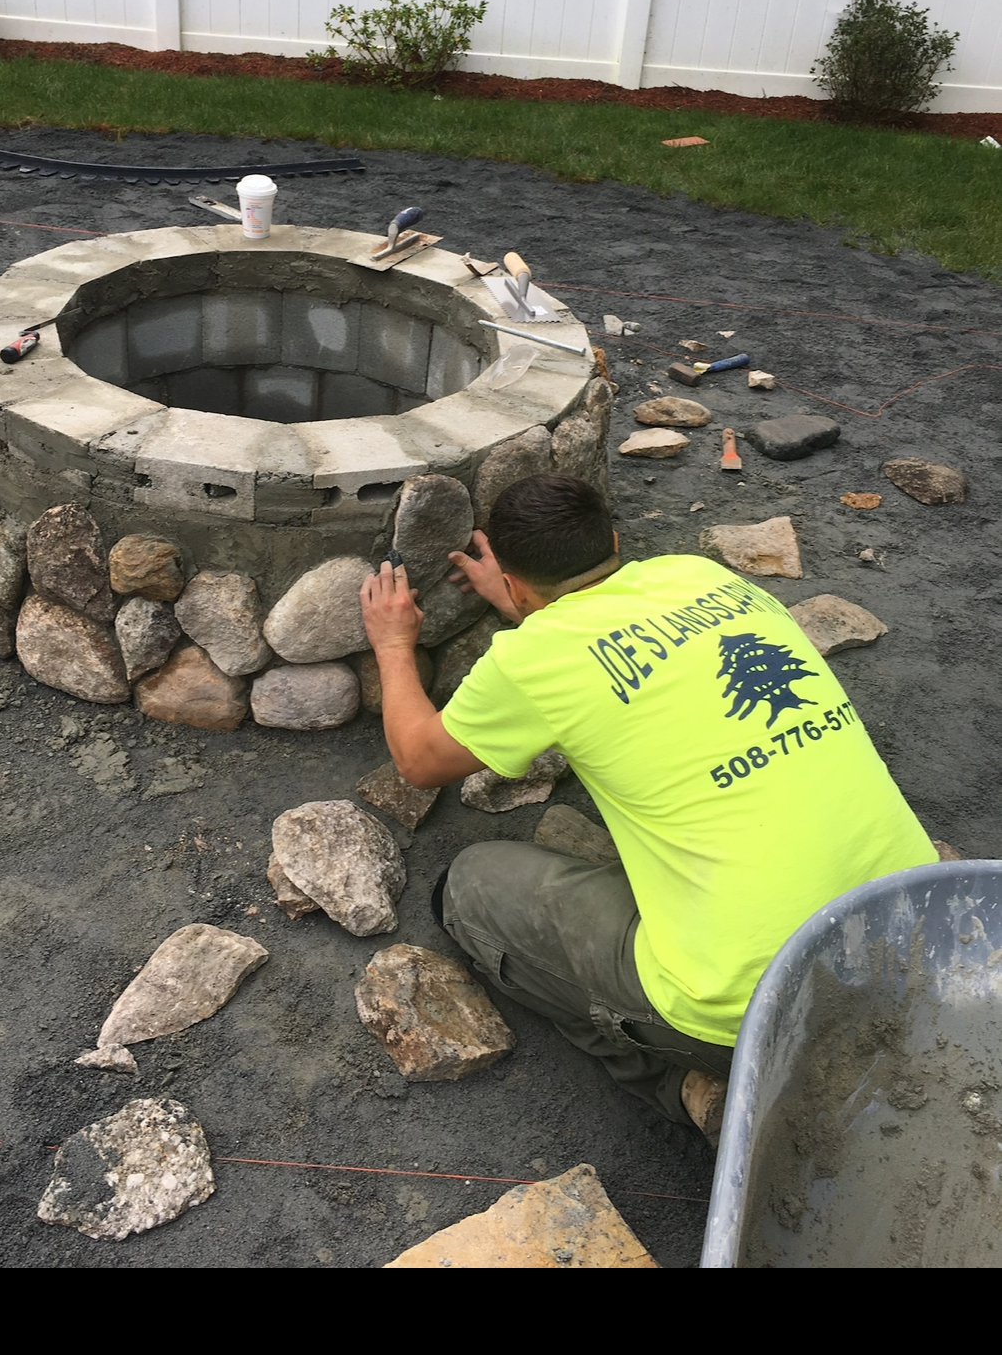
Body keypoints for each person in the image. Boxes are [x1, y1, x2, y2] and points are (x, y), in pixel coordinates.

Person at [359, 473, 937, 1145]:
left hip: (748, 1008)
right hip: (913, 939)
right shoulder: (704, 577)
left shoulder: (531, 659)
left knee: (466, 888)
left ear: (514, 585)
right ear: (612, 540)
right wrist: (529, 605)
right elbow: (622, 651)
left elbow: (419, 760)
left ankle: (684, 1085)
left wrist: (393, 644)